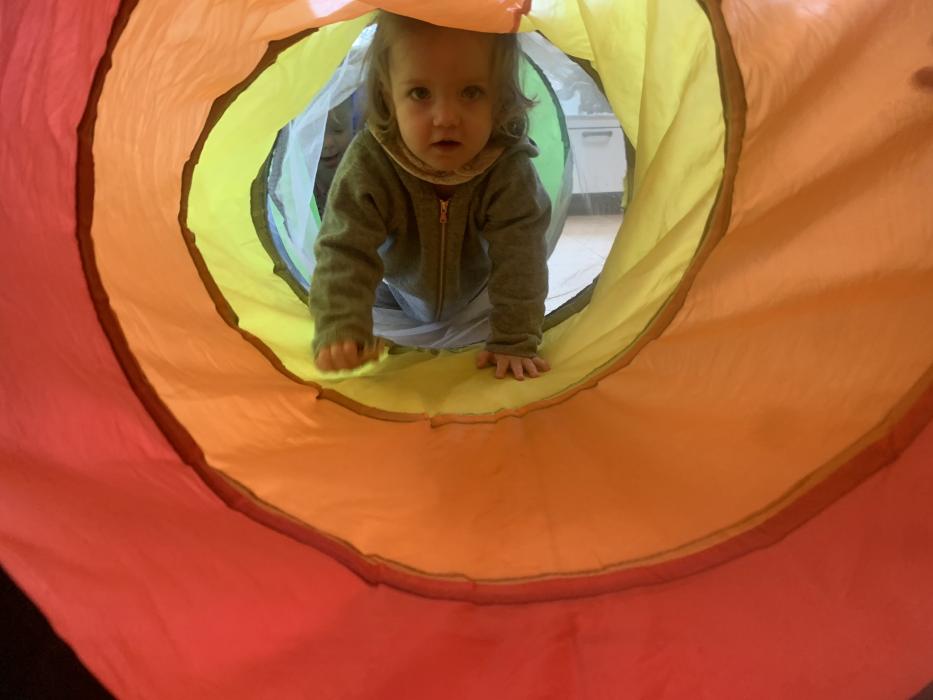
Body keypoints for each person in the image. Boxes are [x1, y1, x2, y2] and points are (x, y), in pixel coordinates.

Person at [309, 12, 551, 380]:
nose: (445, 117)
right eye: (420, 93)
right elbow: (345, 249)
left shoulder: (508, 169)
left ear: (500, 97)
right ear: (388, 96)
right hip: (396, 292)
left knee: (507, 287)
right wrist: (341, 326)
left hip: (478, 295)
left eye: (471, 92)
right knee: (363, 298)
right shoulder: (370, 165)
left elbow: (522, 256)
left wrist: (515, 339)